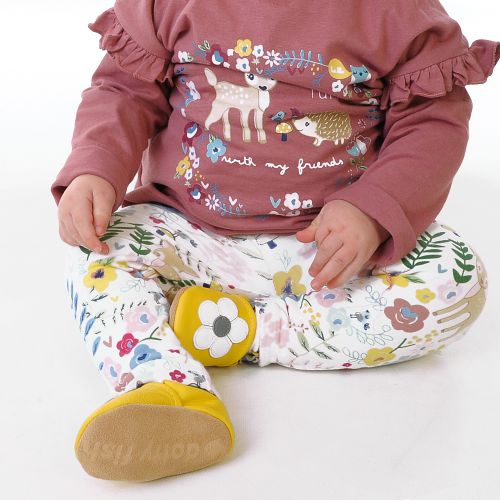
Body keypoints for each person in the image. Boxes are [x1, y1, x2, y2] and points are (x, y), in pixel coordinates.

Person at [50, 0, 499, 482]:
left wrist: (373, 209)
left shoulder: (395, 11)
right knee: (102, 254)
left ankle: (241, 331)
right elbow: (125, 90)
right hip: (189, 233)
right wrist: (96, 166)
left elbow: (431, 123)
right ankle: (170, 388)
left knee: (454, 276)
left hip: (332, 257)